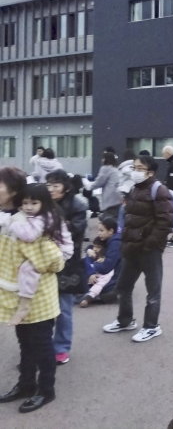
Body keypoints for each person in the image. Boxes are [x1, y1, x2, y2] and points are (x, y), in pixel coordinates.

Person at [0, 167, 65, 413]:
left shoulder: (30, 222)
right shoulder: (7, 216)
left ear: (13, 191)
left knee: (41, 345)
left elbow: (55, 260)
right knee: (25, 344)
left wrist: (33, 265)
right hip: (16, 295)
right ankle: (26, 385)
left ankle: (46, 390)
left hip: (38, 296)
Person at [103, 155, 173, 343]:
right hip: (131, 248)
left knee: (153, 290)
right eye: (134, 167)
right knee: (124, 286)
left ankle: (151, 327)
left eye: (139, 168)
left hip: (149, 250)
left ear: (150, 172)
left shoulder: (159, 190)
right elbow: (129, 219)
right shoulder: (135, 189)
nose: (135, 171)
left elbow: (167, 221)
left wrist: (150, 243)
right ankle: (125, 321)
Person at [4, 184, 73, 326]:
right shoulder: (42, 214)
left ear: (44, 202)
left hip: (61, 251)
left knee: (27, 269)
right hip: (54, 249)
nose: (29, 207)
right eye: (25, 203)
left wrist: (12, 223)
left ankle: (25, 304)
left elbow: (29, 235)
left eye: (34, 203)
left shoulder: (44, 217)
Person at [46, 170, 88, 365]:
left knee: (64, 308)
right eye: (49, 185)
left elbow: (75, 232)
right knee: (43, 307)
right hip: (44, 263)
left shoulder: (77, 204)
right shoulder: (42, 202)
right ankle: (43, 346)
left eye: (56, 185)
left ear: (66, 186)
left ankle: (62, 347)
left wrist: (55, 224)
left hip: (67, 264)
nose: (51, 189)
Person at [82, 217, 122, 305]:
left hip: (112, 279)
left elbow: (106, 267)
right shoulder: (109, 238)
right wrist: (89, 250)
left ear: (111, 231)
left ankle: (99, 294)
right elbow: (94, 245)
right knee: (85, 262)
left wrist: (91, 269)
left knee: (82, 272)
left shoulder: (115, 243)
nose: (99, 233)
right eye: (98, 230)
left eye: (101, 230)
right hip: (111, 276)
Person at [82, 152, 122, 220]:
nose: (102, 160)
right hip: (117, 199)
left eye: (103, 158)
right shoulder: (116, 169)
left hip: (110, 200)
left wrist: (87, 186)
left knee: (108, 221)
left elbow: (98, 183)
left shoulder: (106, 169)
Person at [80, 237, 113, 308]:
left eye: (98, 247)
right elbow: (87, 262)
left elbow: (100, 284)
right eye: (94, 246)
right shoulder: (90, 254)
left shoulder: (107, 265)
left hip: (93, 287)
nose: (95, 249)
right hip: (81, 282)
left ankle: (88, 298)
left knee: (99, 283)